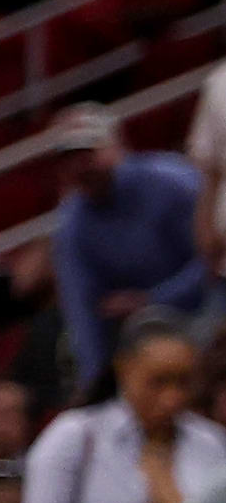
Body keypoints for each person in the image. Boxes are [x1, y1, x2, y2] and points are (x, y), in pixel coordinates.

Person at [20, 313, 226, 503]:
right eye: (158, 382)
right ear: (124, 369)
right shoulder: (75, 435)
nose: (172, 398)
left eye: (184, 382)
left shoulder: (210, 442)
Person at [44, 105, 208, 398]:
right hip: (136, 326)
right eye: (67, 158)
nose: (79, 166)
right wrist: (93, 386)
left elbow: (213, 260)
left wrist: (153, 299)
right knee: (72, 348)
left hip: (202, 302)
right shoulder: (71, 224)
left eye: (87, 152)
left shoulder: (173, 181)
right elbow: (81, 309)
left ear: (116, 145)